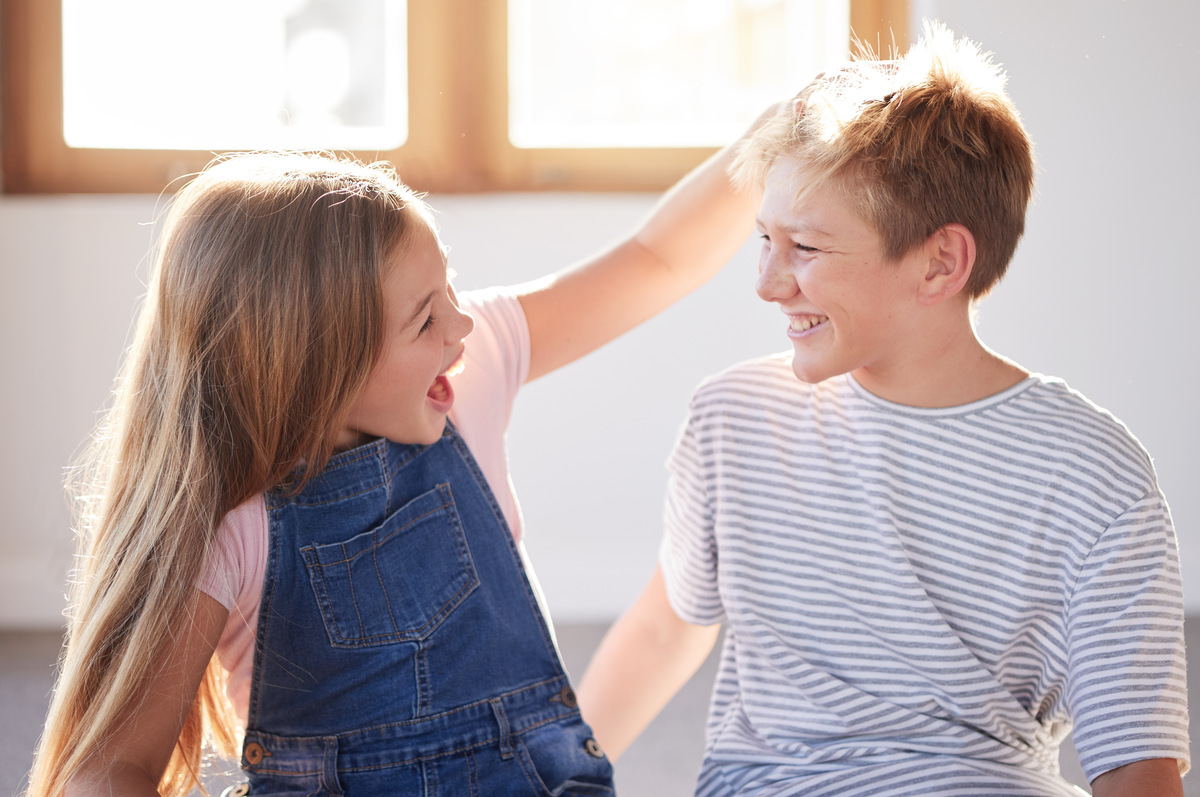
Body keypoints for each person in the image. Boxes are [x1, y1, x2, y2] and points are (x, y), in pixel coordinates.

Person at [26, 123, 766, 796]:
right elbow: (107, 767)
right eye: (426, 317)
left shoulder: (466, 374)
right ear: (317, 366)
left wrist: (770, 139)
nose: (464, 322)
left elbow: (655, 259)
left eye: (450, 289)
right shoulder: (234, 527)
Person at [575, 23, 1190, 797]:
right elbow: (667, 627)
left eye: (806, 247)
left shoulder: (1092, 471)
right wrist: (556, 781)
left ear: (940, 262)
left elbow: (1136, 761)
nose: (767, 281)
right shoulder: (732, 418)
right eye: (762, 237)